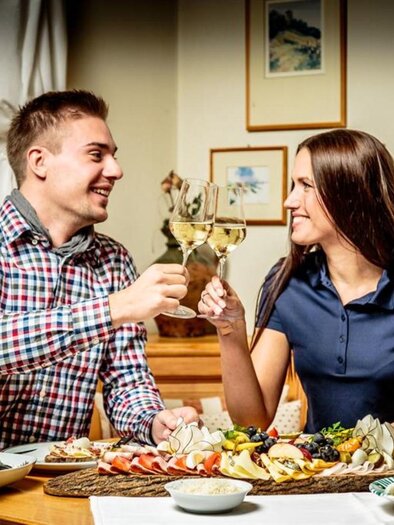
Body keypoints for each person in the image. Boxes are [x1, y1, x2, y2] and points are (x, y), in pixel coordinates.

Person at [0, 89, 199, 450]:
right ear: (39, 162)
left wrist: (154, 422)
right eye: (96, 155)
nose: (116, 170)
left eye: (113, 156)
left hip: (57, 486)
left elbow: (127, 381)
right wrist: (114, 308)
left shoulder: (113, 261)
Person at [198, 129, 394, 433]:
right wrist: (231, 331)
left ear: (349, 192)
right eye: (293, 185)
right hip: (319, 474)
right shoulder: (288, 282)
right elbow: (252, 419)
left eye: (306, 186)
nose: (289, 201)